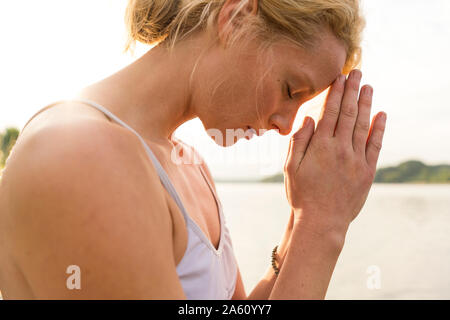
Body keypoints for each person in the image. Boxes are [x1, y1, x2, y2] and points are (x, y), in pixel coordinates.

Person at [0, 0, 386, 299]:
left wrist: (301, 222)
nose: (285, 125)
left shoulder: (188, 164)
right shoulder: (81, 153)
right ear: (236, 20)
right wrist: (323, 226)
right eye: (291, 90)